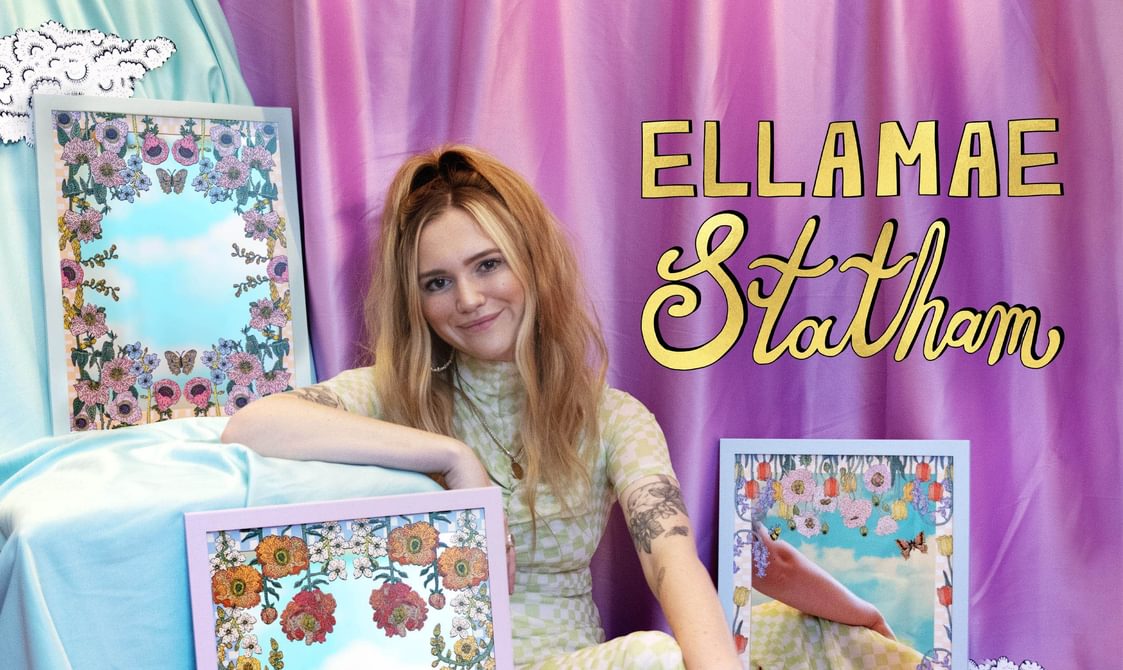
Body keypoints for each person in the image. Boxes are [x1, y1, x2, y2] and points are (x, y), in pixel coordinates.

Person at [223, 145, 909, 668]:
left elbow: (669, 559)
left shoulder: (614, 416)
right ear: (416, 301)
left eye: (487, 265)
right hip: (448, 654)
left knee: (813, 634)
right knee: (655, 656)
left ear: (533, 262)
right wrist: (453, 459)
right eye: (437, 281)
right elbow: (250, 425)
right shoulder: (391, 393)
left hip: (575, 658)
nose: (466, 299)